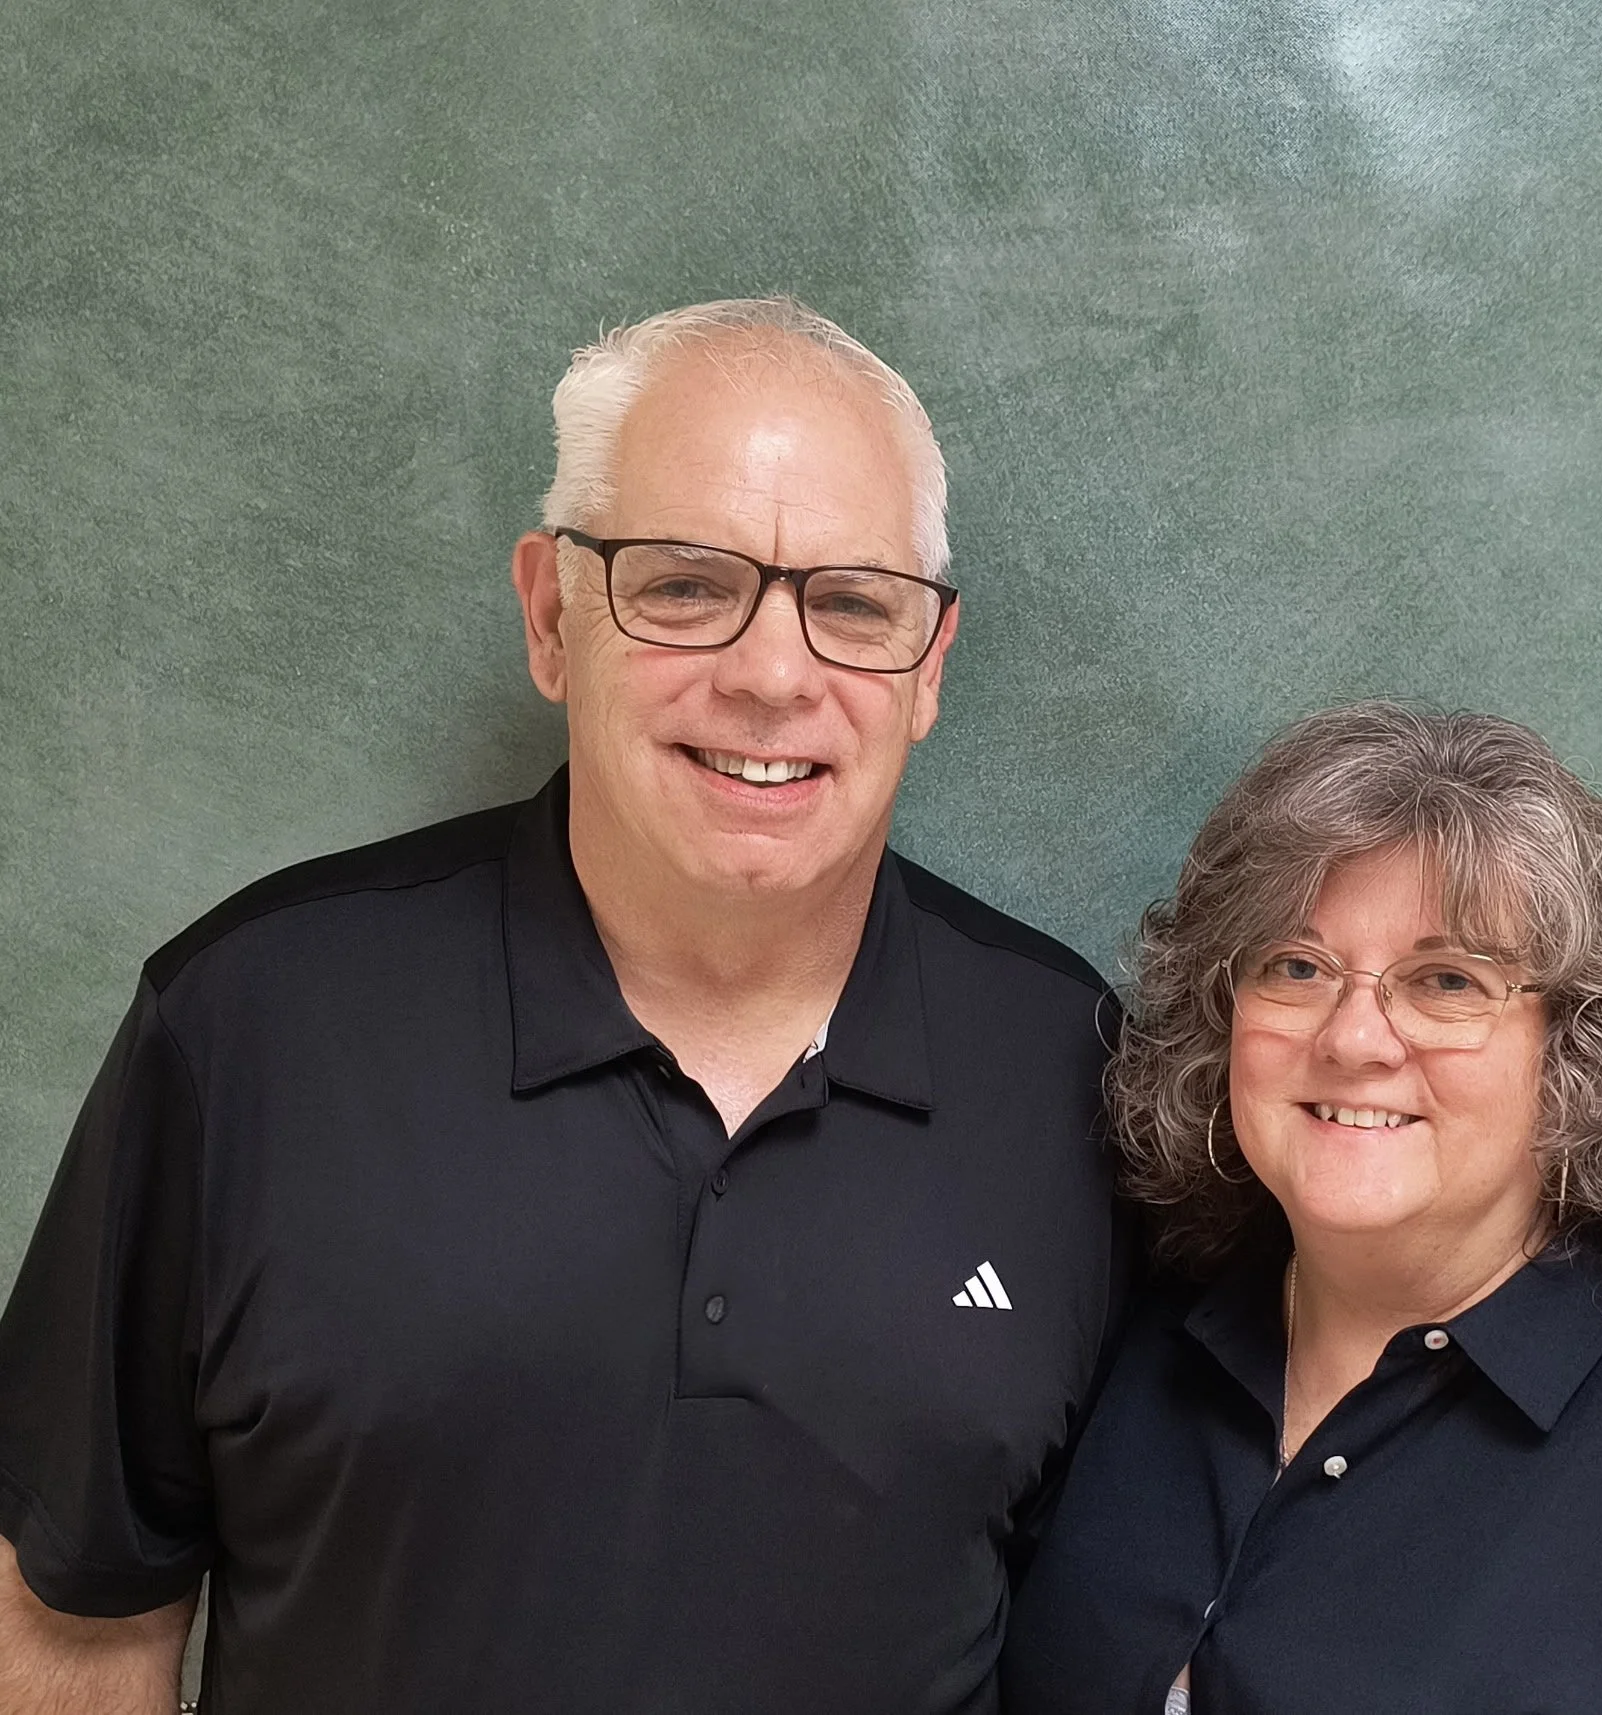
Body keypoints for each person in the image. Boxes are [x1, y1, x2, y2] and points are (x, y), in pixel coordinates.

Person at [0, 298, 1123, 1714]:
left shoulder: (1072, 1077)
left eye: (852, 604)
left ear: (929, 666)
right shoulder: (253, 1030)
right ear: (549, 614)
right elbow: (73, 1619)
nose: (773, 674)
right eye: (684, 585)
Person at [1002, 701, 1602, 1715]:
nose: (1353, 1037)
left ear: (1577, 1049)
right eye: (1297, 966)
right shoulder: (1127, 1325)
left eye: (1446, 981)